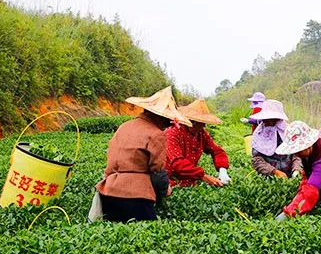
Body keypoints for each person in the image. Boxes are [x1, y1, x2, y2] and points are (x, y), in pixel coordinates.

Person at [96, 86, 190, 222]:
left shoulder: (124, 126)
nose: (167, 125)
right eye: (167, 120)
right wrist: (165, 189)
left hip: (109, 193)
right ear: (159, 117)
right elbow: (157, 171)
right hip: (136, 197)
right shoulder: (156, 134)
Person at [165, 99, 231, 187]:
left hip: (190, 183)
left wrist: (223, 170)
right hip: (170, 183)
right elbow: (178, 163)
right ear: (193, 122)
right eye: (202, 122)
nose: (204, 125)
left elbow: (217, 151)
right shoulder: (173, 132)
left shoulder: (201, 133)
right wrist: (204, 177)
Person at [250, 100, 303, 178]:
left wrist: (296, 170)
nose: (268, 122)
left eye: (272, 119)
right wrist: (274, 172)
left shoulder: (290, 132)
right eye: (266, 119)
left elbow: (297, 154)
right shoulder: (259, 134)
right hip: (268, 177)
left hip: (291, 175)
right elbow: (257, 159)